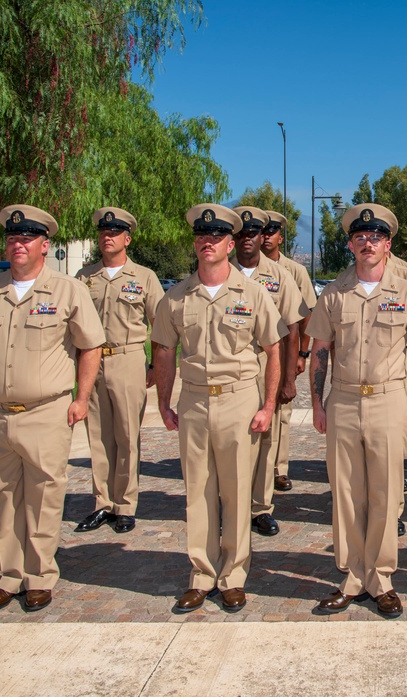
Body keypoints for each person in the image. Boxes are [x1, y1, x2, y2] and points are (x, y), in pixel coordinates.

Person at [0, 205, 105, 613]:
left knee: (43, 494)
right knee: (4, 496)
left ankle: (39, 576)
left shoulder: (67, 290)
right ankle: (9, 576)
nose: (18, 244)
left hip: (45, 411)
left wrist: (80, 397)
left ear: (45, 244)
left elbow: (90, 345)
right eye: (13, 238)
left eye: (27, 238)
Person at [152, 203, 285, 614]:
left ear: (230, 244)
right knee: (198, 492)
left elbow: (273, 349)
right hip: (192, 400)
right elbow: (163, 351)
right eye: (200, 237)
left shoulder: (254, 294)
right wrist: (163, 402)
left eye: (215, 238)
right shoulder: (176, 297)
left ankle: (233, 575)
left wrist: (267, 404)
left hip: (238, 399)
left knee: (236, 490)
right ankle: (201, 574)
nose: (206, 243)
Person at [308, 203, 407, 619]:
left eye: (376, 237)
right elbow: (321, 351)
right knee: (346, 493)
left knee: (384, 491)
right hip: (343, 400)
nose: (368, 243)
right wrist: (317, 402)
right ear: (350, 244)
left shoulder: (405, 288)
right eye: (361, 237)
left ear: (388, 244)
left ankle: (381, 578)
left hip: (388, 399)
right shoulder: (334, 293)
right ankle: (351, 577)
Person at [75, 207, 165, 534]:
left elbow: (161, 326)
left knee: (127, 435)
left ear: (127, 238)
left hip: (128, 359)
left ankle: (126, 504)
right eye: (103, 232)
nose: (107, 237)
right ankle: (103, 503)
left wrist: (154, 365)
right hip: (92, 362)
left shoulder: (144, 277)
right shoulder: (85, 278)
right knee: (98, 435)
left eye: (114, 233)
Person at [232, 207, 307, 537]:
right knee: (231, 439)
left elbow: (293, 328)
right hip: (232, 366)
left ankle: (260, 508)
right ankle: (232, 505)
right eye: (241, 233)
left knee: (265, 437)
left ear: (264, 236)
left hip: (268, 364)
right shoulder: (220, 272)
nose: (248, 238)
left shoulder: (279, 275)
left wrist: (289, 377)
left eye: (254, 233)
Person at [259, 210, 319, 491]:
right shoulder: (239, 267)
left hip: (284, 348)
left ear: (280, 237)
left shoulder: (294, 271)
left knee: (281, 411)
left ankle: (279, 468)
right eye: (263, 232)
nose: (266, 237)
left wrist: (302, 354)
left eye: (272, 232)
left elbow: (306, 315)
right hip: (252, 351)